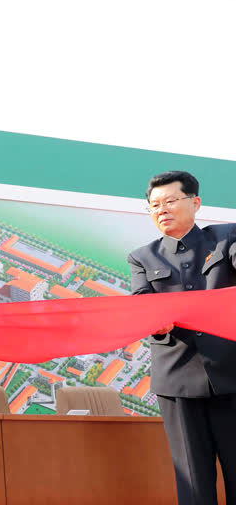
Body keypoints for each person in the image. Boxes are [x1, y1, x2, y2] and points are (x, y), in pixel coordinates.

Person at [127, 171, 236, 505]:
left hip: (231, 375)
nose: (162, 209)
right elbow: (141, 304)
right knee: (193, 479)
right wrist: (152, 320)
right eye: (154, 205)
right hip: (177, 383)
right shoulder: (142, 257)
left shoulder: (227, 238)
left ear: (195, 203)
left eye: (171, 201)